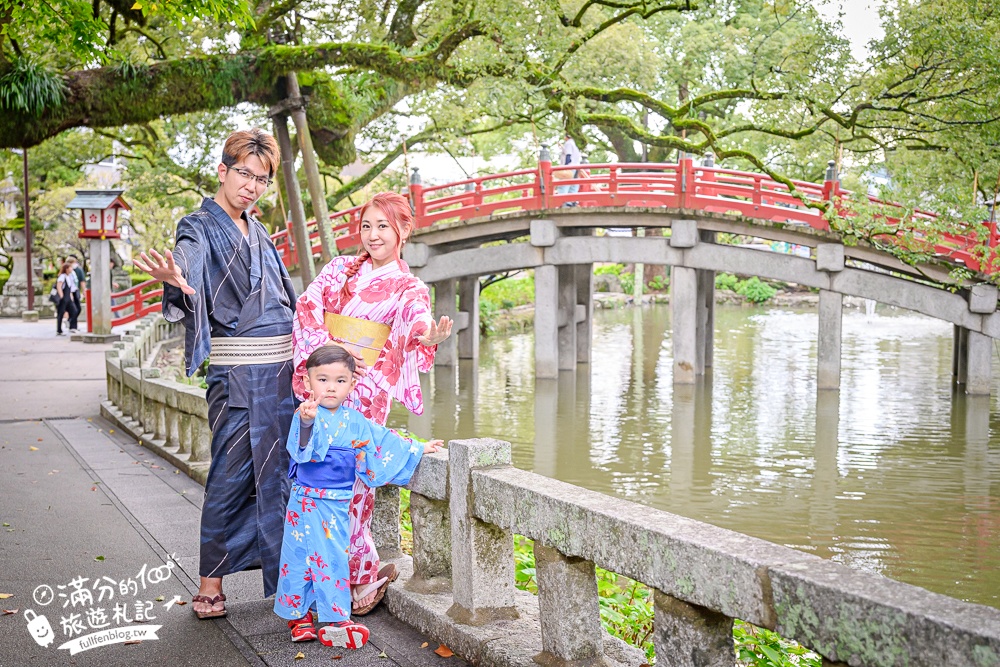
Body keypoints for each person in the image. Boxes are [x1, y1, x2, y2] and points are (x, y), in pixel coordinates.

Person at [133, 128, 297, 620]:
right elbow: (189, 256)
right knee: (229, 475)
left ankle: (293, 575)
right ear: (223, 171)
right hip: (238, 374)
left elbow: (284, 295)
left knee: (281, 475)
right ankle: (210, 582)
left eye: (261, 179)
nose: (251, 185)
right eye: (243, 173)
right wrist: (180, 278)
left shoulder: (259, 231)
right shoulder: (198, 225)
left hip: (281, 373)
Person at [292, 191, 453, 615]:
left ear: (403, 230)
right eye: (367, 225)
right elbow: (308, 306)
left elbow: (415, 317)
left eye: (383, 226)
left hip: (364, 389)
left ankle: (357, 575)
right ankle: (326, 578)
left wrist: (425, 335)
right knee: (314, 475)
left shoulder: (407, 285)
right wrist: (326, 351)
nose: (373, 234)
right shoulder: (340, 268)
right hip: (325, 381)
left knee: (354, 482)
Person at [274, 344, 443, 648]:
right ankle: (299, 618)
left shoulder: (355, 421)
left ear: (352, 384)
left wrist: (418, 447)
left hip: (338, 501)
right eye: (322, 379)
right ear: (308, 382)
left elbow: (382, 442)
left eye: (340, 380)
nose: (331, 387)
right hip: (306, 500)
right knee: (299, 557)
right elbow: (299, 450)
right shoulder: (305, 413)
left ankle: (335, 617)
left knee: (334, 557)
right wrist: (308, 422)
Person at [54, 262, 79, 336]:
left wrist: (71, 296)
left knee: (74, 311)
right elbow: (59, 286)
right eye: (70, 267)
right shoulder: (62, 276)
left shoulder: (69, 276)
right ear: (67, 269)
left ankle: (72, 327)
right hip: (63, 297)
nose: (71, 269)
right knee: (60, 313)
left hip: (68, 297)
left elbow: (70, 287)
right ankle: (59, 330)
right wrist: (61, 296)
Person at [555, 133, 582, 197]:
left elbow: (568, 156)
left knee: (564, 184)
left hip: (570, 166)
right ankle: (572, 201)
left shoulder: (569, 143)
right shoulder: (574, 145)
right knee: (573, 184)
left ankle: (561, 199)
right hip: (576, 166)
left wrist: (565, 167)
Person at [67, 255, 86, 332]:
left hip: (75, 291)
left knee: (77, 308)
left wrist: (83, 291)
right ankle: (72, 325)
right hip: (70, 292)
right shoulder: (67, 271)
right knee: (74, 309)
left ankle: (72, 323)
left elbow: (81, 281)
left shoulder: (77, 270)